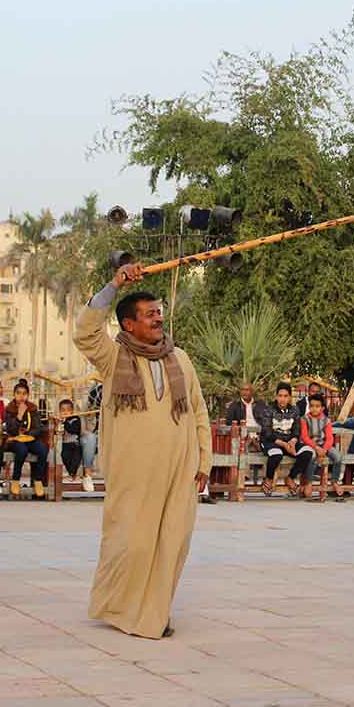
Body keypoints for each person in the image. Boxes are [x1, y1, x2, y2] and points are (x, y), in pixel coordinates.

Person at [73, 263, 212, 639]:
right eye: (149, 315)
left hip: (179, 470)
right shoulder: (114, 357)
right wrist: (114, 284)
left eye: (159, 313)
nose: (158, 319)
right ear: (128, 325)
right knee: (131, 544)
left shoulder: (179, 358)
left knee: (172, 543)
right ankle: (120, 608)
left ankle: (155, 613)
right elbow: (85, 331)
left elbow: (198, 410)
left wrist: (204, 459)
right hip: (133, 472)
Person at [260, 382, 313, 496]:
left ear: (289, 397)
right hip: (272, 442)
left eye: (285, 396)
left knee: (308, 452)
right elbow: (267, 431)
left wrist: (293, 441)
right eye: (280, 396)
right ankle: (268, 479)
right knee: (276, 455)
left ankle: (290, 477)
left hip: (290, 442)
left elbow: (296, 429)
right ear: (276, 396)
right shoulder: (268, 410)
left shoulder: (295, 410)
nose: (282, 399)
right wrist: (284, 445)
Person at [4, 380, 48, 499]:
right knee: (21, 450)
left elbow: (39, 428)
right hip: (15, 440)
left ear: (28, 395)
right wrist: (19, 415)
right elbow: (10, 429)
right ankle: (16, 479)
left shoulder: (33, 409)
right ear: (14, 395)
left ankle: (38, 480)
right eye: (18, 393)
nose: (21, 396)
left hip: (29, 438)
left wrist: (28, 434)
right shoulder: (9, 409)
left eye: (24, 393)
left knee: (43, 450)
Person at [300, 393, 344, 502]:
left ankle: (334, 481)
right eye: (312, 406)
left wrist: (324, 449)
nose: (314, 408)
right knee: (312, 456)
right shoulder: (304, 419)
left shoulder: (326, 420)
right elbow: (305, 437)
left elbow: (329, 438)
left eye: (317, 406)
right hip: (310, 445)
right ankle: (309, 482)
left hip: (324, 445)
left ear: (322, 408)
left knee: (338, 457)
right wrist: (316, 448)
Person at [58, 398, 95, 492]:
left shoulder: (75, 419)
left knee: (76, 459)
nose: (65, 412)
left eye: (68, 410)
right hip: (65, 444)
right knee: (64, 457)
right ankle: (72, 474)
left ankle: (73, 473)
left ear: (72, 410)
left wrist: (65, 422)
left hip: (75, 444)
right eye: (63, 410)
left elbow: (74, 429)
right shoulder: (59, 420)